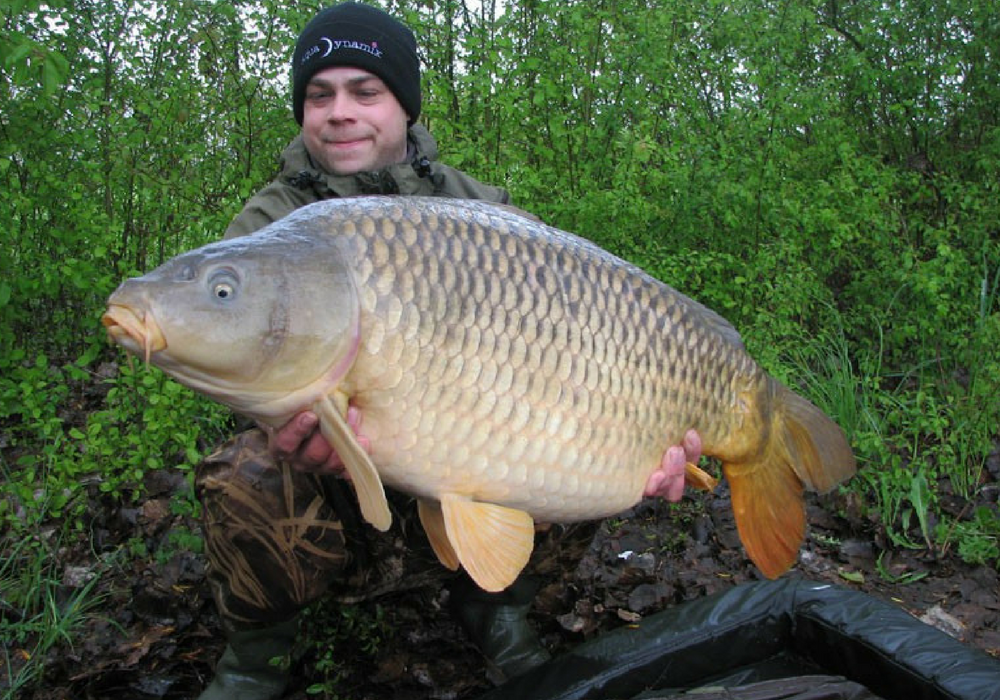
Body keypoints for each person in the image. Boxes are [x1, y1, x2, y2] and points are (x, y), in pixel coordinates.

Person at [195, 4, 702, 699]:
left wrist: (647, 429)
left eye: (364, 91)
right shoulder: (269, 224)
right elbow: (238, 361)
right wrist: (283, 432)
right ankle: (256, 659)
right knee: (242, 471)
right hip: (336, 472)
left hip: (465, 442)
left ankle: (496, 612)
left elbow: (574, 344)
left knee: (589, 440)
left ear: (405, 105)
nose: (339, 112)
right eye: (320, 95)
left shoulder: (480, 210)